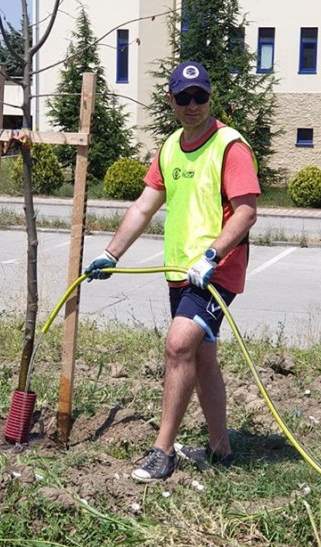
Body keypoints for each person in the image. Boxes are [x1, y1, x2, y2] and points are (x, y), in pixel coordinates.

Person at [84, 61, 261, 483]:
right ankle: (221, 449)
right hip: (181, 271)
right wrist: (111, 253)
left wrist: (212, 255)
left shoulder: (230, 146)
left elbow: (247, 213)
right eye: (184, 97)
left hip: (215, 271)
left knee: (179, 345)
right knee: (201, 358)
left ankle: (162, 452)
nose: (192, 104)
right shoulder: (169, 148)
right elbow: (144, 206)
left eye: (200, 96)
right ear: (171, 100)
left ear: (210, 96)